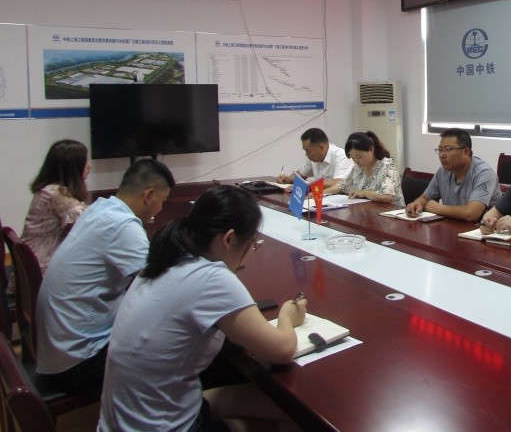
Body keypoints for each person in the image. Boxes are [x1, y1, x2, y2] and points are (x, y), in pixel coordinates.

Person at [98, 185, 306, 431]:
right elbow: (282, 349)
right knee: (296, 418)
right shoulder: (211, 278)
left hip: (127, 419)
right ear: (229, 239)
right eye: (252, 245)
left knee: (272, 403)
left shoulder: (165, 258)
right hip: (163, 425)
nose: (251, 254)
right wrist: (287, 317)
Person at [35, 159, 175, 394]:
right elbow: (162, 288)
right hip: (79, 363)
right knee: (178, 342)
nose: (161, 209)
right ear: (149, 194)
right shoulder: (123, 226)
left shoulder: (99, 210)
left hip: (56, 350)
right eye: (163, 201)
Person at [20, 139, 91, 274]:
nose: (89, 166)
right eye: (85, 161)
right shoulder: (55, 193)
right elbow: (89, 222)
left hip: (34, 263)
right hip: (43, 269)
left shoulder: (51, 189)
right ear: (71, 166)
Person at [405, 128, 500, 222]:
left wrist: (438, 208)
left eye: (448, 149)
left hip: (481, 229)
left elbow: (471, 213)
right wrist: (417, 204)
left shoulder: (484, 173)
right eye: (440, 150)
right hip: (453, 226)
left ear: (465, 152)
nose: (442, 155)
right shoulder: (443, 171)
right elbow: (425, 198)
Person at [327, 131, 404, 206]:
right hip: (369, 210)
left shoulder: (387, 166)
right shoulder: (358, 168)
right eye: (352, 158)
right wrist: (322, 193)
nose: (356, 161)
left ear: (371, 150)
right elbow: (342, 186)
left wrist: (363, 193)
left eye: (359, 157)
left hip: (390, 211)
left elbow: (386, 196)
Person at [276, 128, 353, 194]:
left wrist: (310, 184)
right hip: (319, 197)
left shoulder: (342, 156)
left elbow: (339, 183)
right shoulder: (313, 157)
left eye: (308, 151)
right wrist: (288, 179)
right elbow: (301, 174)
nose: (306, 154)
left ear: (321, 147)